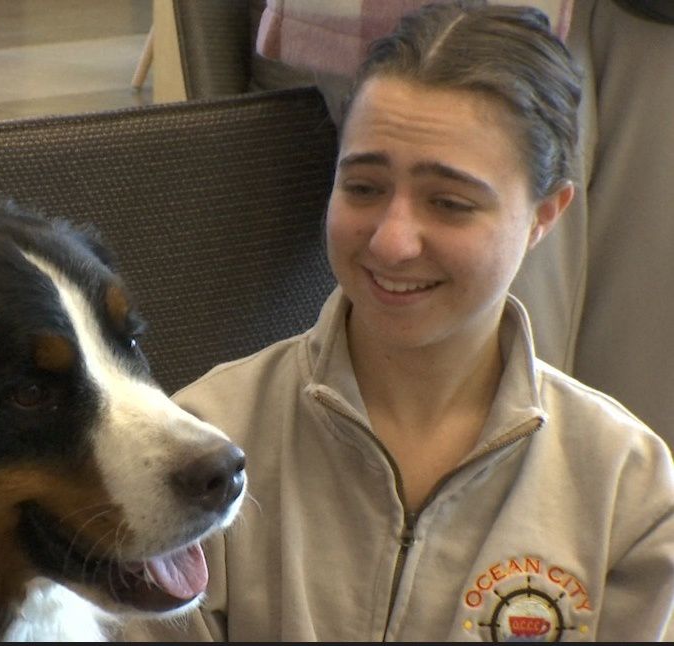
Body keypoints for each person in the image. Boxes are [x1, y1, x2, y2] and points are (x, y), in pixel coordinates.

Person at [123, 1, 674, 641]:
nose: (391, 242)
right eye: (363, 187)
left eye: (449, 203)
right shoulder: (207, 444)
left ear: (544, 216)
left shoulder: (624, 486)